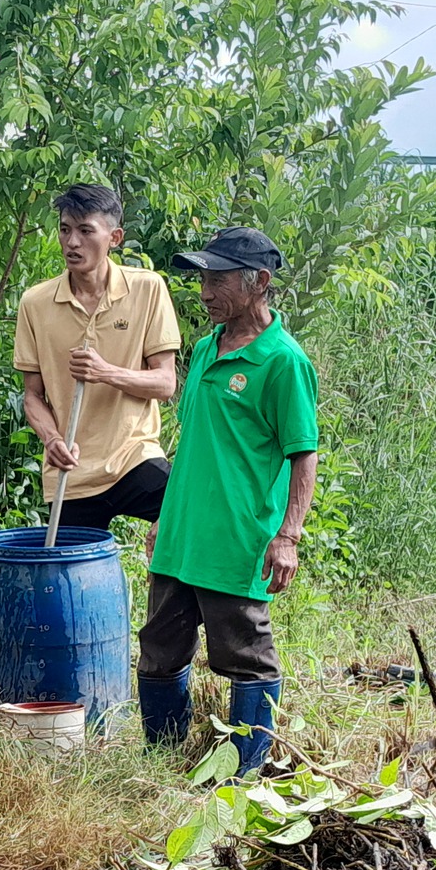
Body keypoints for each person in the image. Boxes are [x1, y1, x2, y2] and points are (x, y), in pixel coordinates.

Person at [138, 227, 318, 775]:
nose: (205, 291)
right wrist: (166, 518)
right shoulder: (204, 348)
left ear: (259, 282)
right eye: (202, 278)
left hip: (238, 540)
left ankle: (243, 774)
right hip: (181, 535)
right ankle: (163, 759)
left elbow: (302, 454)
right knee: (159, 650)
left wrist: (287, 536)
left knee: (246, 658)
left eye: (218, 279)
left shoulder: (283, 362)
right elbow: (193, 444)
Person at [14, 183, 182, 540]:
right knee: (66, 579)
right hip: (72, 470)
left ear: (115, 237)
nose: (72, 242)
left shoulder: (147, 288)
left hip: (133, 456)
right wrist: (51, 439)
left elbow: (165, 384)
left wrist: (106, 372)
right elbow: (32, 396)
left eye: (85, 230)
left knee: (189, 508)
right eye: (65, 229)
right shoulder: (35, 302)